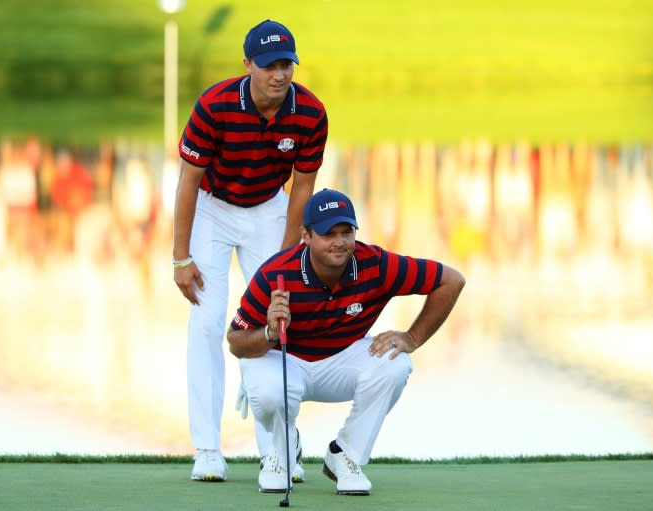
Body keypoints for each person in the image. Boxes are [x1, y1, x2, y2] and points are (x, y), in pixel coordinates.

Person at [226, 188, 465, 494]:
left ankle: (344, 456)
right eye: (328, 234)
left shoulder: (375, 264)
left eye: (346, 231)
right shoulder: (276, 274)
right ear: (306, 235)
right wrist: (270, 332)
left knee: (396, 363)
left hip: (340, 357)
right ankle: (278, 455)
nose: (339, 242)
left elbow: (451, 280)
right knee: (269, 390)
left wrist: (412, 337)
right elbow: (235, 341)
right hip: (283, 359)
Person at [173, 19, 328, 482]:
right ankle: (207, 449)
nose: (279, 75)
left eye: (286, 65)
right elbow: (188, 182)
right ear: (248, 65)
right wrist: (181, 257)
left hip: (270, 211)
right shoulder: (215, 104)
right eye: (269, 66)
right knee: (206, 320)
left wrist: (285, 261)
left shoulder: (310, 113)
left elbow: (303, 190)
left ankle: (278, 451)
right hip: (212, 210)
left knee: (276, 320)